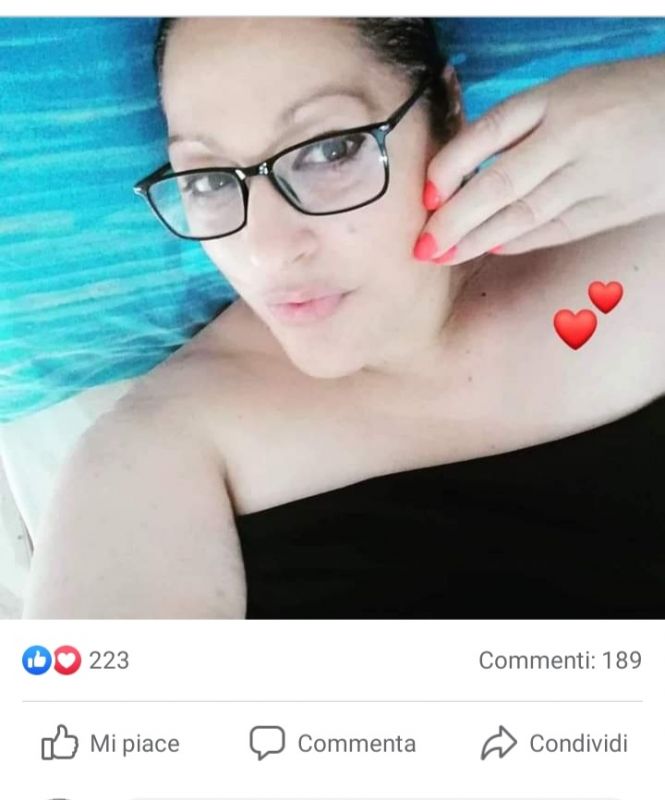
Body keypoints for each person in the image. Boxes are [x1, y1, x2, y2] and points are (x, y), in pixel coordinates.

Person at [23, 17, 665, 619]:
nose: (268, 250)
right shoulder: (157, 457)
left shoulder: (641, 239)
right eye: (209, 180)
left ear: (448, 109)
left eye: (330, 151)